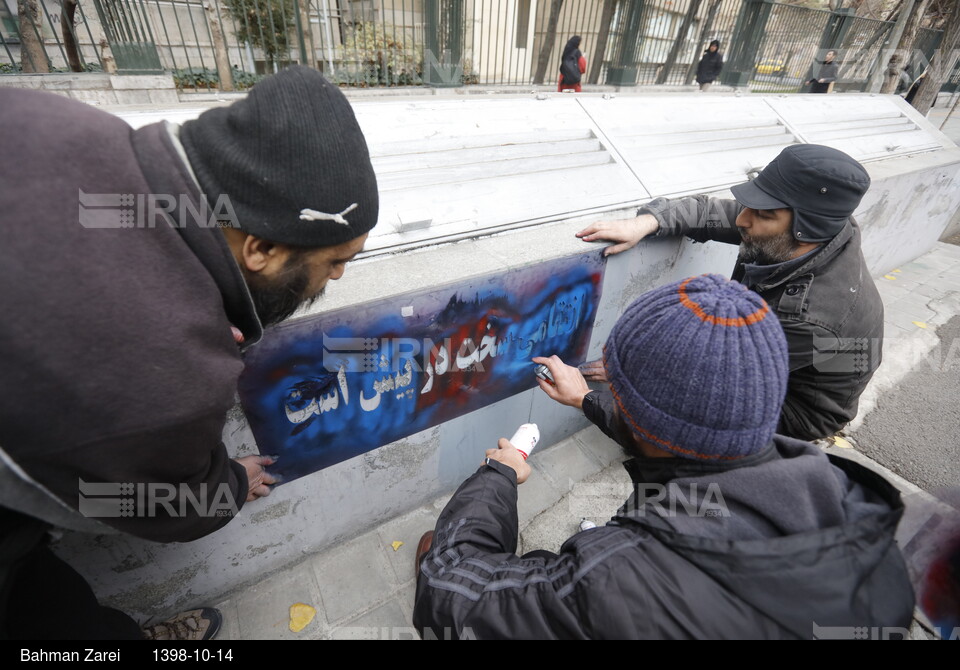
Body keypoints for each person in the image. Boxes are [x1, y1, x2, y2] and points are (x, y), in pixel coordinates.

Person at [0, 66, 379, 639]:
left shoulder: (56, 122)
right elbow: (156, 504)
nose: (340, 276)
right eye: (334, 260)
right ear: (262, 249)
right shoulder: (171, 373)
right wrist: (226, 486)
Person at [412, 275, 915, 639]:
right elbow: (676, 443)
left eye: (614, 380)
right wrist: (586, 398)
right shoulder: (851, 510)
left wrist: (496, 477)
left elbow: (449, 588)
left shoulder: (616, 583)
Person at [575, 144, 882, 442]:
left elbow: (711, 377)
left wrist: (605, 386)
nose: (741, 220)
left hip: (794, 407)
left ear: (808, 229)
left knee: (673, 401)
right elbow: (709, 211)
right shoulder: (807, 224)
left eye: (763, 214)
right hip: (778, 362)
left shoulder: (813, 317)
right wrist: (646, 222)